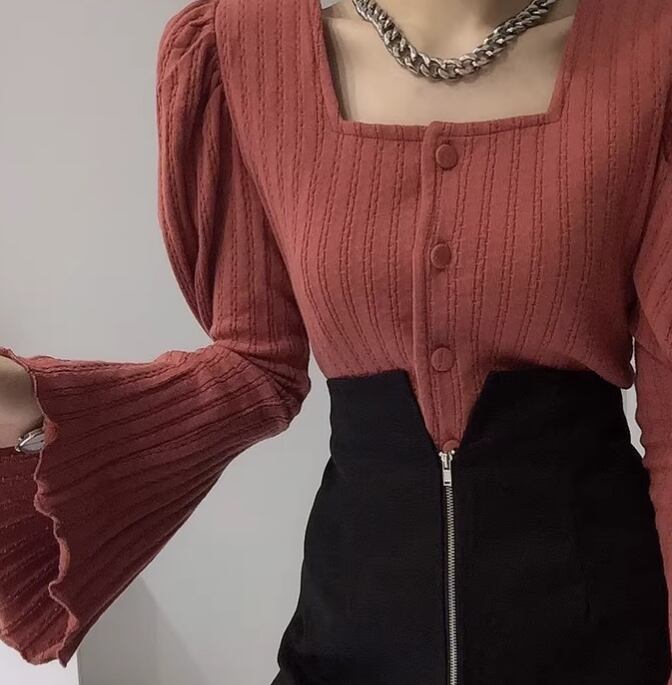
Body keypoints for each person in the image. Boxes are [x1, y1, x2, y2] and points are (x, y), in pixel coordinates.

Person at [1, 0, 671, 682]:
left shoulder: (654, 49)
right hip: (349, 636)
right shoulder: (245, 52)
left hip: (604, 639)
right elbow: (256, 365)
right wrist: (33, 404)